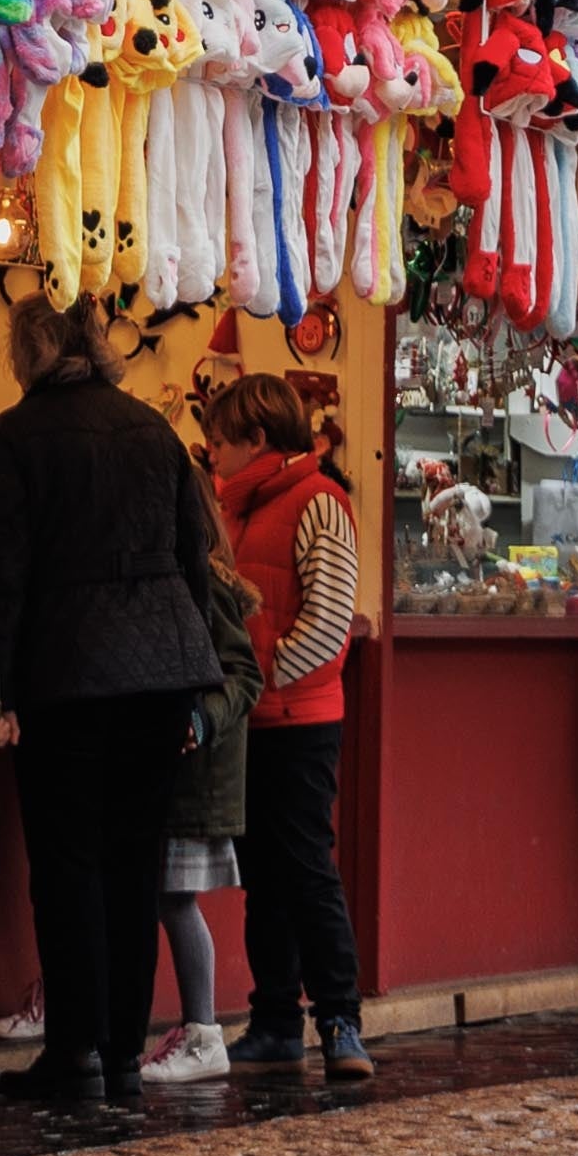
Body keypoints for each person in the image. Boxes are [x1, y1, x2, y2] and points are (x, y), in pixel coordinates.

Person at [0, 299, 246, 1108]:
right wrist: (196, 676)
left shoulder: (19, 435)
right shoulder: (153, 431)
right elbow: (193, 561)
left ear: (28, 351)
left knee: (66, 866)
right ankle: (125, 1051)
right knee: (134, 866)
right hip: (161, 674)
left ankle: (74, 1049)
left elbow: (3, 576)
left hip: (68, 673)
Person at [204, 373, 371, 1080]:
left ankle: (340, 1019)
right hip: (255, 717)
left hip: (299, 719)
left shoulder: (319, 502)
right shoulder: (238, 509)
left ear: (258, 439)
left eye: (221, 441)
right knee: (263, 875)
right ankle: (274, 1018)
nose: (213, 454)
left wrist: (254, 679)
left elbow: (328, 623)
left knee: (305, 868)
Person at [138, 559, 264, 1085]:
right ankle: (200, 1031)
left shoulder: (202, 581)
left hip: (192, 768)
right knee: (161, 895)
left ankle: (204, 1032)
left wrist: (201, 720)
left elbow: (244, 675)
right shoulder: (181, 575)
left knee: (173, 896)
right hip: (176, 764)